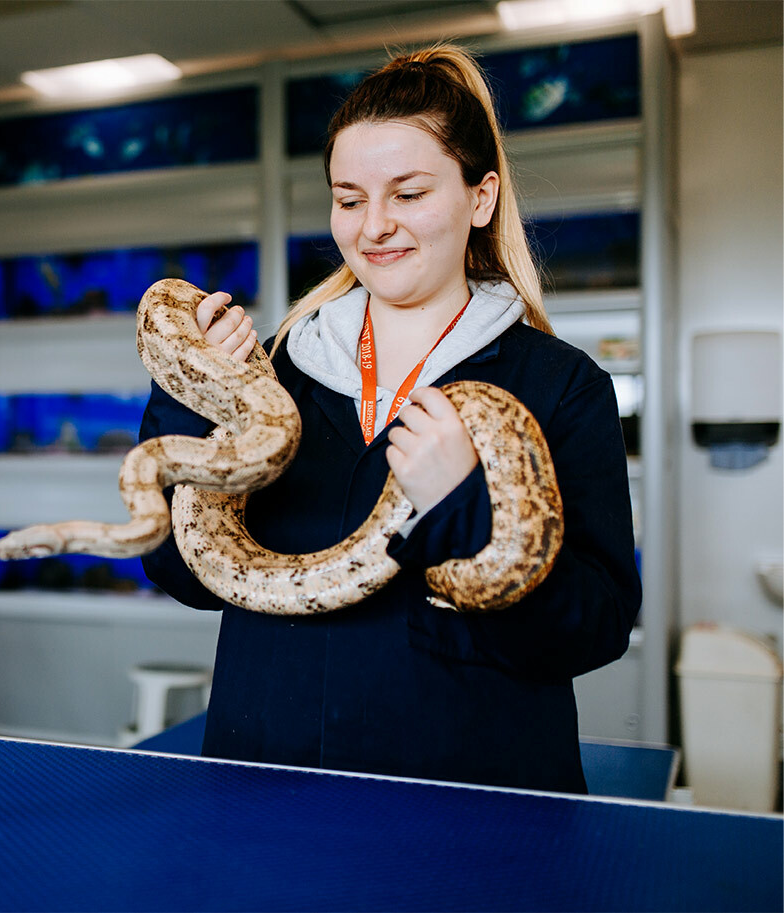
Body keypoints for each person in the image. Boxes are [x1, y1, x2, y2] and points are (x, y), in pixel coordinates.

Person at [137, 44, 641, 794]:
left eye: (407, 193)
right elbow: (181, 572)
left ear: (481, 198)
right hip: (261, 796)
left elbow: (594, 627)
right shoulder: (276, 369)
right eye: (349, 198)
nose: (375, 226)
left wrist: (468, 513)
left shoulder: (560, 386)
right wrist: (194, 389)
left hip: (469, 819)